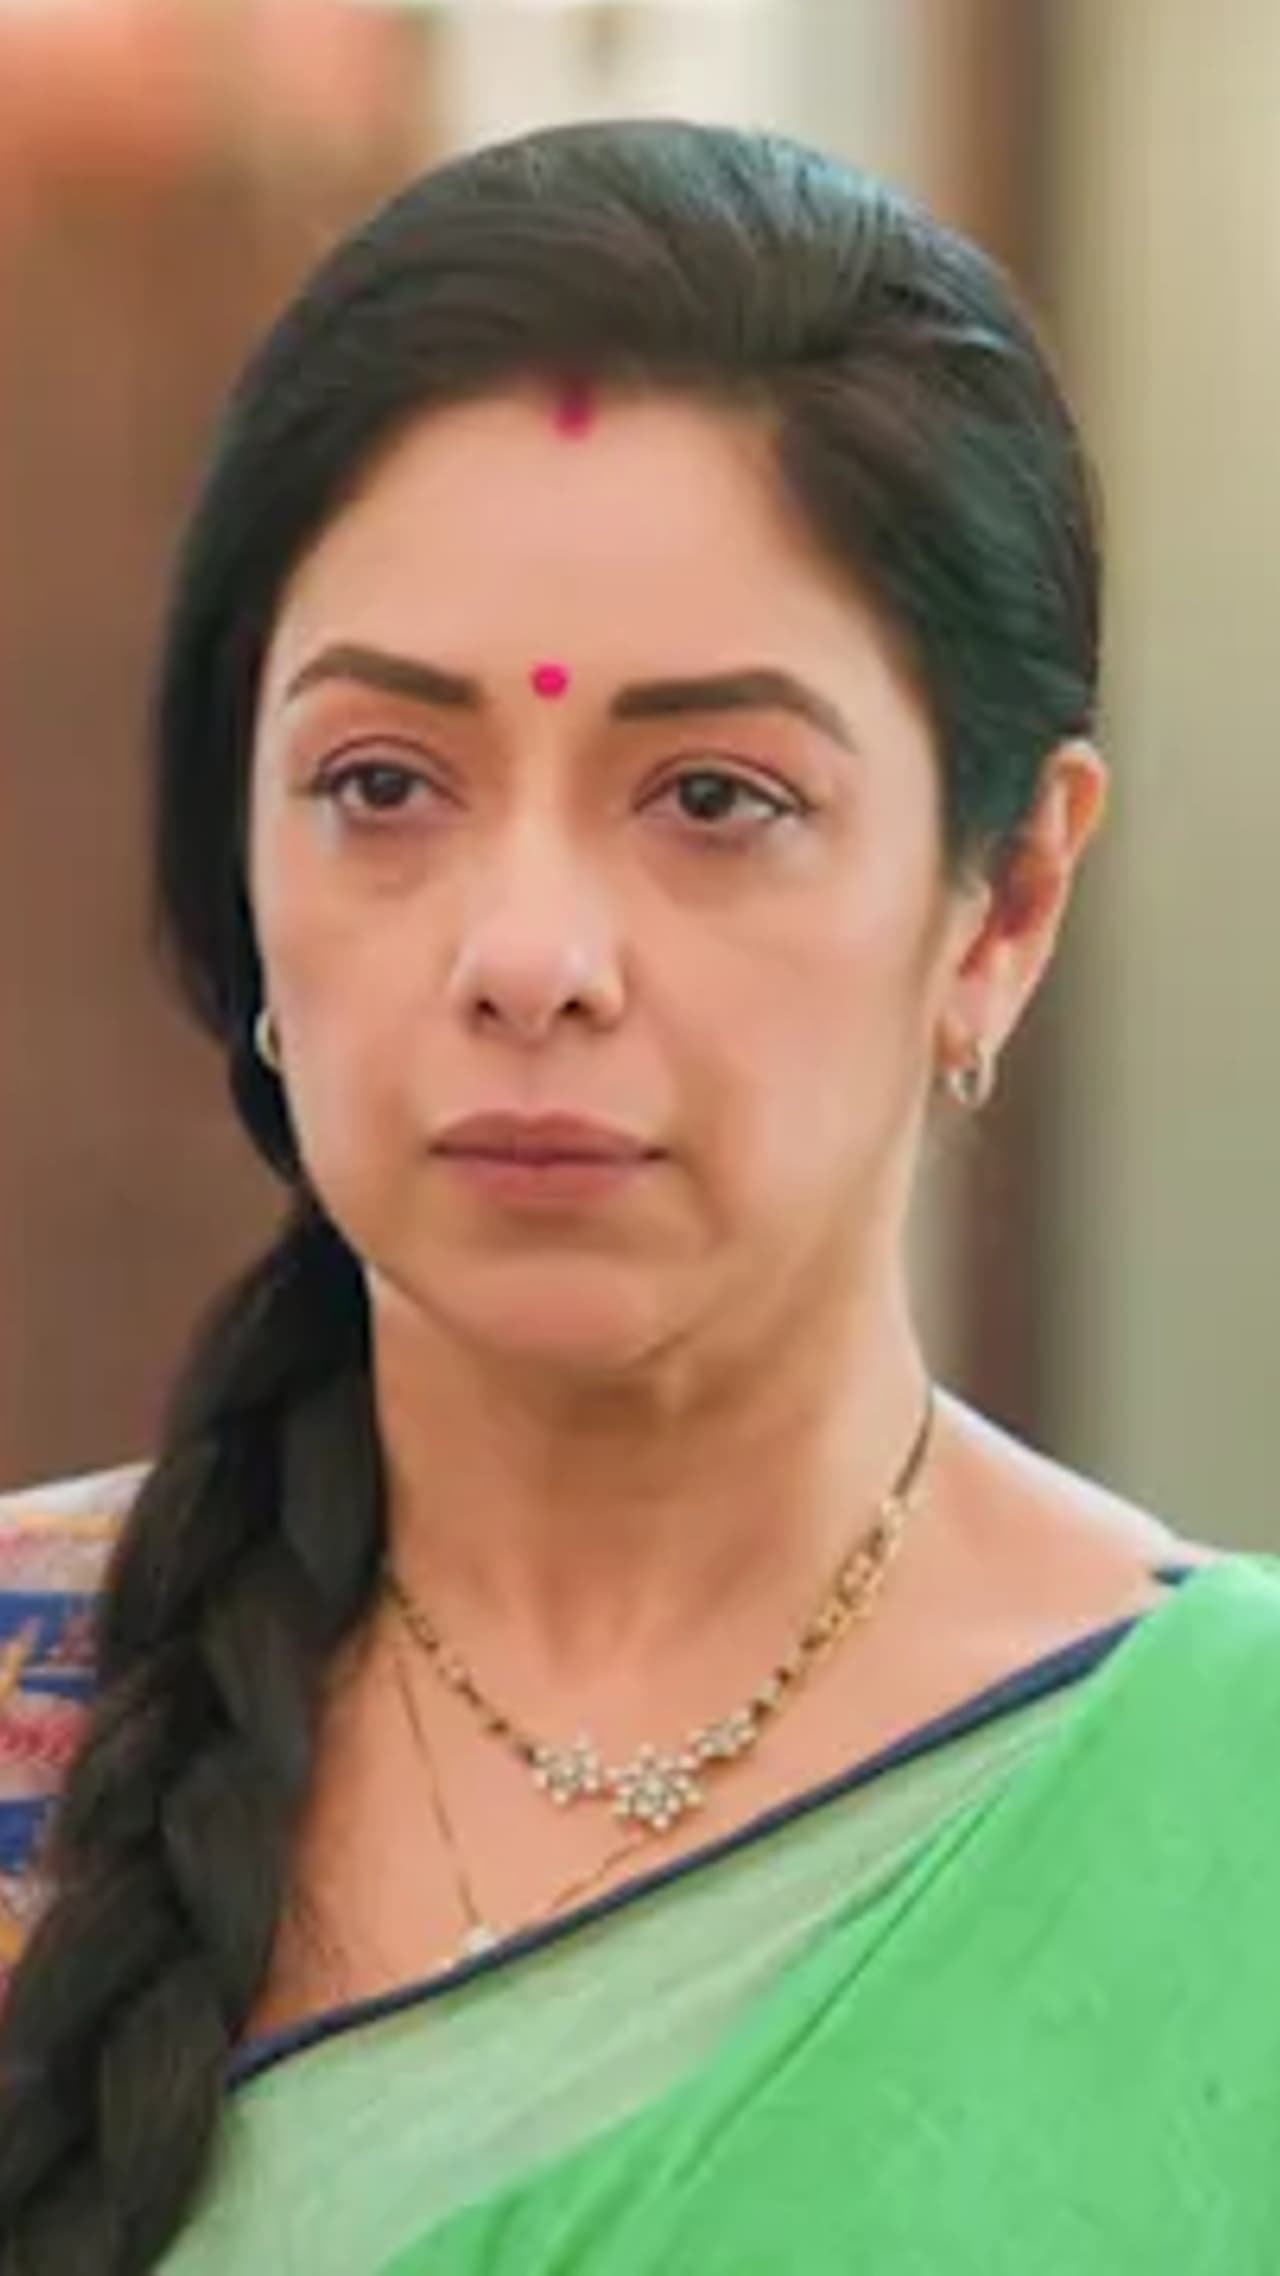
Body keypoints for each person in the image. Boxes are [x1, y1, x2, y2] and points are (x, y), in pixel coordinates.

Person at [0, 116, 1274, 2276]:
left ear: (1004, 903)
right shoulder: (37, 1709)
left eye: (713, 797)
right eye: (381, 783)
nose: (530, 955)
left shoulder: (1225, 1819)